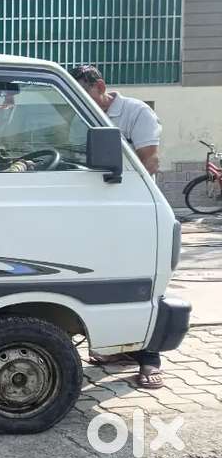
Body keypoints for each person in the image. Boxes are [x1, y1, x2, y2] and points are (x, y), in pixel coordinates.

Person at [70, 64, 165, 389]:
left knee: (147, 282)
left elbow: (149, 160)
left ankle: (150, 360)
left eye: (86, 95)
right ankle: (121, 347)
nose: (84, 102)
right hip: (99, 211)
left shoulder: (136, 112)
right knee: (110, 280)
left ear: (101, 87)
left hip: (135, 210)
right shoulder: (83, 113)